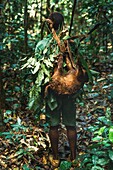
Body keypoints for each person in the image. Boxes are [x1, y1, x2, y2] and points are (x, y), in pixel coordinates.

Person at [45, 12, 78, 168]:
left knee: (54, 124)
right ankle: (73, 157)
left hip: (53, 91)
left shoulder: (44, 44)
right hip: (70, 91)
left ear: (50, 24)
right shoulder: (70, 42)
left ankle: (56, 157)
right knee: (70, 124)